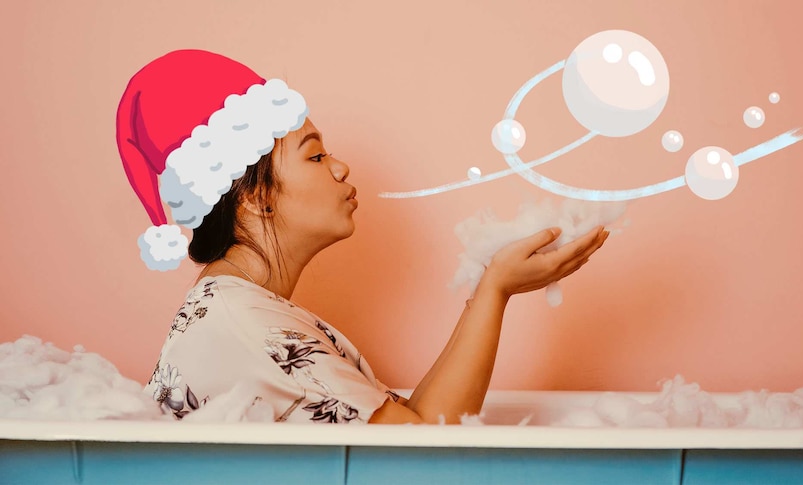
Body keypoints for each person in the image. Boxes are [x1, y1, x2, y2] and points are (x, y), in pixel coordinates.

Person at [118, 49, 609, 424]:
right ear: (252, 196)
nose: (341, 166)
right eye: (314, 156)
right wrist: (496, 288)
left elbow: (416, 424)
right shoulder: (251, 327)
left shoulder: (243, 308)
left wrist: (490, 291)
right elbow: (421, 456)